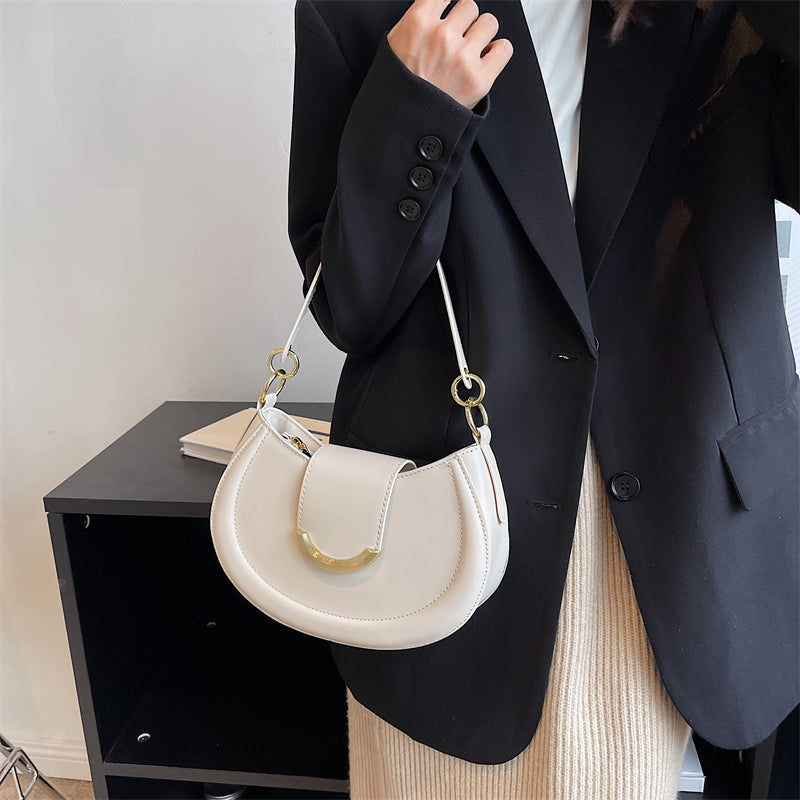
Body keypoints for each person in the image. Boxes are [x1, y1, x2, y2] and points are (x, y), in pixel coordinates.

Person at [287, 0, 799, 797]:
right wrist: (416, 110)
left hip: (664, 527)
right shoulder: (365, 8)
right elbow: (348, 305)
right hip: (445, 525)